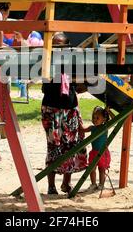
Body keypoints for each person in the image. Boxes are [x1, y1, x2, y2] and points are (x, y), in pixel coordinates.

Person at [41, 33, 87, 195]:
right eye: (54, 44)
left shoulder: (72, 62)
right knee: (53, 146)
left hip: (70, 108)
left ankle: (65, 184)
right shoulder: (45, 61)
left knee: (71, 146)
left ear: (67, 46)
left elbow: (81, 86)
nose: (57, 48)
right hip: (51, 109)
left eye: (60, 45)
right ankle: (51, 185)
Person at [80, 106, 113, 192]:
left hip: (103, 152)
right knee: (92, 169)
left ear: (103, 119)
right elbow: (83, 129)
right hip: (94, 152)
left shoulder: (105, 127)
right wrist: (78, 121)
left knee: (102, 169)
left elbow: (115, 120)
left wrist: (108, 112)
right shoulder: (92, 128)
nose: (95, 119)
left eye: (97, 118)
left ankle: (101, 184)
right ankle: (93, 184)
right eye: (93, 117)